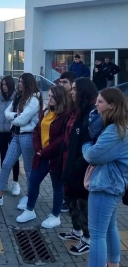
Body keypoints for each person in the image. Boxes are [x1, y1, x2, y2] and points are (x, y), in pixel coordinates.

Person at [66, 87, 127, 267]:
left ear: (112, 105)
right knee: (109, 229)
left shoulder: (114, 130)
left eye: (100, 102)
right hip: (110, 184)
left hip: (106, 185)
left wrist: (85, 145)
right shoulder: (117, 127)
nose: (96, 105)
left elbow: (93, 155)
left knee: (97, 234)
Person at [0, 73, 42, 209]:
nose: (19, 84)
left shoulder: (33, 99)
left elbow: (22, 120)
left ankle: (29, 197)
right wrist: (17, 116)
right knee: (6, 164)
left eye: (22, 82)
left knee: (28, 169)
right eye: (19, 81)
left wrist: (15, 118)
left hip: (27, 136)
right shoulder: (17, 96)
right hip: (16, 135)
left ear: (28, 83)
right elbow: (6, 112)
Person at [15, 85, 71, 225]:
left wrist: (45, 151)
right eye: (49, 95)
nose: (49, 98)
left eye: (52, 96)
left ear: (59, 97)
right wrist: (38, 148)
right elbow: (37, 130)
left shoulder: (65, 115)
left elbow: (62, 139)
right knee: (33, 181)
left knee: (57, 186)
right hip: (41, 155)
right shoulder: (45, 112)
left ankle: (55, 215)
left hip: (55, 157)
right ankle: (29, 210)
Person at [58, 78, 98, 256]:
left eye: (74, 89)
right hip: (69, 163)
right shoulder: (76, 111)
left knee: (82, 204)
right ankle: (77, 231)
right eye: (71, 89)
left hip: (80, 168)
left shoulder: (91, 115)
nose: (71, 92)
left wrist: (77, 165)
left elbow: (89, 145)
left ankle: (88, 238)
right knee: (70, 199)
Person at [0, 75, 21, 195]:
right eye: (2, 85)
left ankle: (15, 182)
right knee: (3, 157)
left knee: (14, 158)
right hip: (1, 131)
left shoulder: (16, 97)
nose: (4, 87)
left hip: (12, 131)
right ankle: (3, 183)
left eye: (6, 85)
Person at [57, 70, 77, 213]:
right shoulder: (61, 98)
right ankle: (65, 198)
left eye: (65, 82)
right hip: (62, 143)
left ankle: (70, 200)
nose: (61, 84)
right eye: (60, 82)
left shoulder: (75, 101)